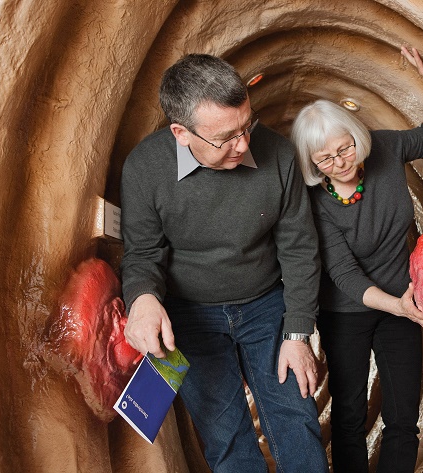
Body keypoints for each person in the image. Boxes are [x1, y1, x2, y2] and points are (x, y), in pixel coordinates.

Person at [119, 53, 328, 473]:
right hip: (189, 316)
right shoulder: (145, 168)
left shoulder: (279, 155)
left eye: (246, 126)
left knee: (298, 422)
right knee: (227, 441)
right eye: (226, 137)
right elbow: (142, 254)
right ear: (181, 132)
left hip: (268, 306)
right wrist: (142, 299)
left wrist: (299, 330)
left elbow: (300, 249)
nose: (245, 144)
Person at [289, 46, 423, 473]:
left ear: (356, 138)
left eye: (344, 149)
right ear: (311, 164)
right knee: (348, 416)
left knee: (402, 417)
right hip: (346, 311)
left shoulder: (384, 149)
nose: (339, 163)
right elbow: (343, 273)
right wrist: (398, 305)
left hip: (402, 301)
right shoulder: (314, 202)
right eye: (324, 159)